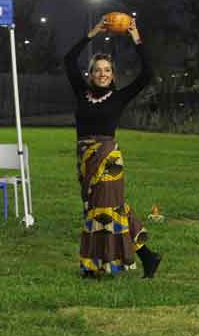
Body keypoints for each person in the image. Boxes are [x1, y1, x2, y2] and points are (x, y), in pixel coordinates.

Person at [64, 16, 162, 279]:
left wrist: (137, 39)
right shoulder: (81, 92)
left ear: (113, 74)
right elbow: (68, 60)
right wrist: (91, 34)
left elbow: (148, 74)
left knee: (105, 210)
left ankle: (95, 266)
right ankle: (148, 256)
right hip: (85, 158)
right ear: (91, 73)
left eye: (107, 70)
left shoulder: (119, 97)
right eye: (98, 70)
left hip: (109, 159)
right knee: (101, 208)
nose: (102, 74)